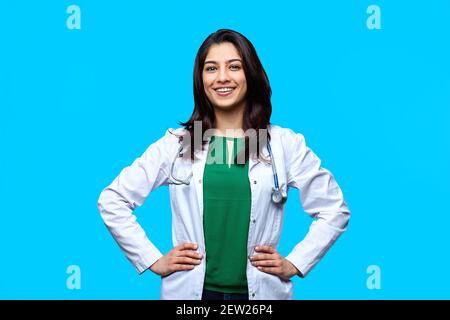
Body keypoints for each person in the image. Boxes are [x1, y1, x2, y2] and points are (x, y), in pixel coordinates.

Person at [97, 29, 350, 300]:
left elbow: (334, 210)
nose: (222, 78)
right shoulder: (176, 143)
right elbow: (113, 200)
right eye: (211, 68)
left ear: (250, 74)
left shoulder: (284, 143)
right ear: (201, 78)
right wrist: (151, 259)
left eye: (234, 66)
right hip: (191, 296)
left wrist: (296, 262)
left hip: (262, 295)